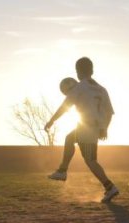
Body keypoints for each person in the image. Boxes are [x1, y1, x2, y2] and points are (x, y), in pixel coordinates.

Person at [46, 58, 120, 203]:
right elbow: (109, 112)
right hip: (93, 127)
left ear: (78, 72)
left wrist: (51, 121)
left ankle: (63, 172)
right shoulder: (102, 89)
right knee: (72, 141)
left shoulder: (79, 87)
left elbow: (64, 107)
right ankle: (63, 171)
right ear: (91, 70)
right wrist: (104, 128)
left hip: (86, 127)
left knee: (90, 161)